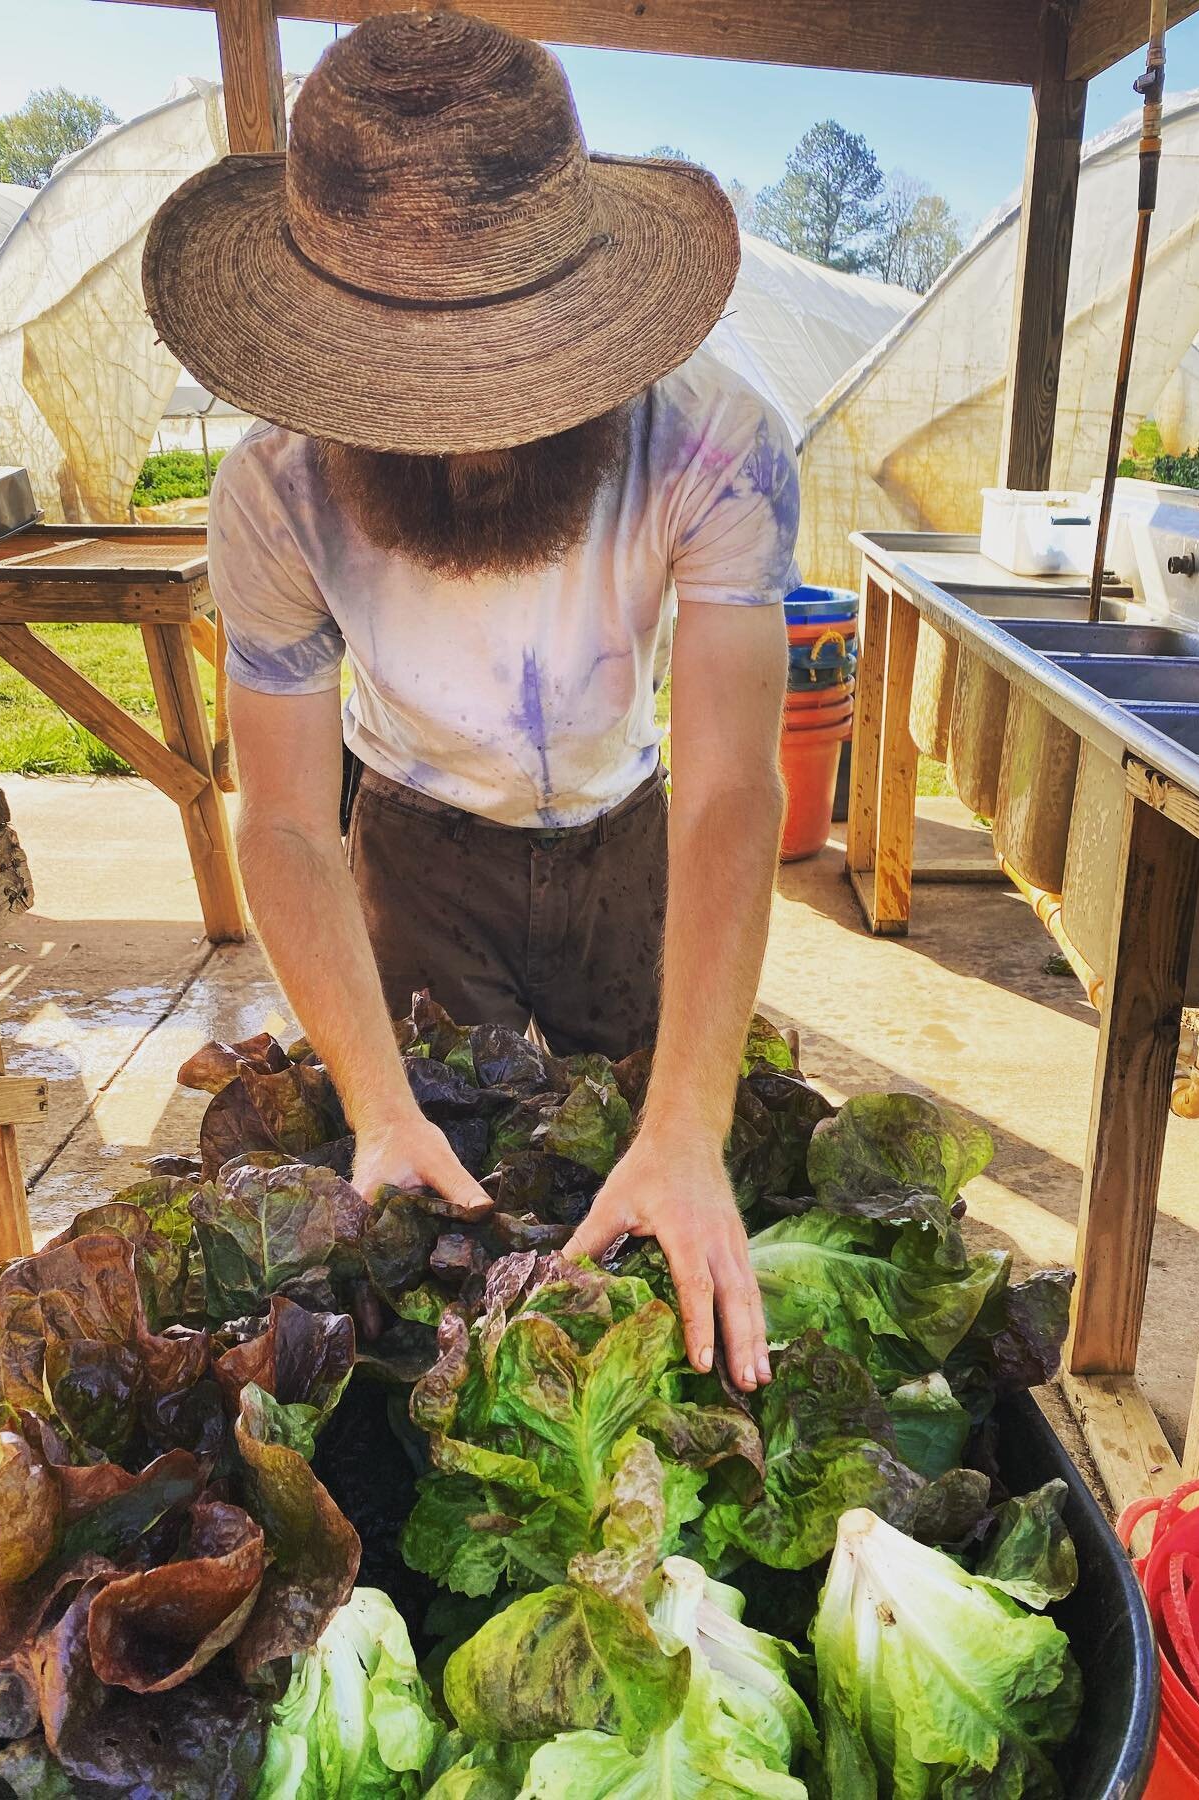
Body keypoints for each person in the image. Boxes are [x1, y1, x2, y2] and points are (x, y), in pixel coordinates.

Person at [143, 10, 798, 1390]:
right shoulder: (272, 496)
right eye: (411, 389)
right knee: (461, 1204)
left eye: (511, 372)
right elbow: (284, 820)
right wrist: (374, 1104)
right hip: (420, 845)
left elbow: (736, 782)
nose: (474, 431)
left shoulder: (716, 445)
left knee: (645, 1182)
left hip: (632, 845)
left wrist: (688, 1115)